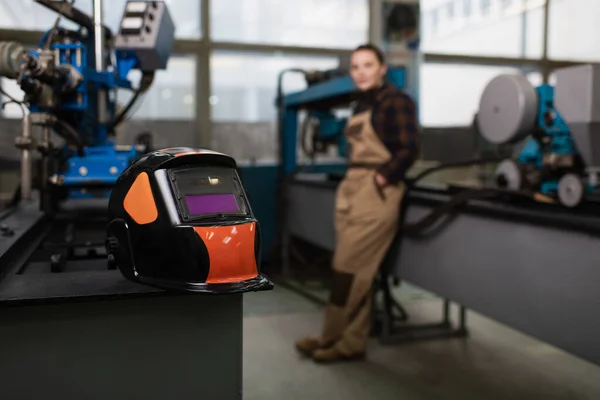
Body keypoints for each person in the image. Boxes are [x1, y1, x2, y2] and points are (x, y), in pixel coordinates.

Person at [294, 43, 420, 363]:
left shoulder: (396, 102)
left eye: (367, 65)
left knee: (349, 269)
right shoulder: (360, 105)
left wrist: (382, 178)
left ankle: (339, 338)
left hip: (376, 189)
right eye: (355, 67)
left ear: (382, 68)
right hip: (353, 186)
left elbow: (409, 148)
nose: (361, 72)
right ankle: (342, 338)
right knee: (351, 269)